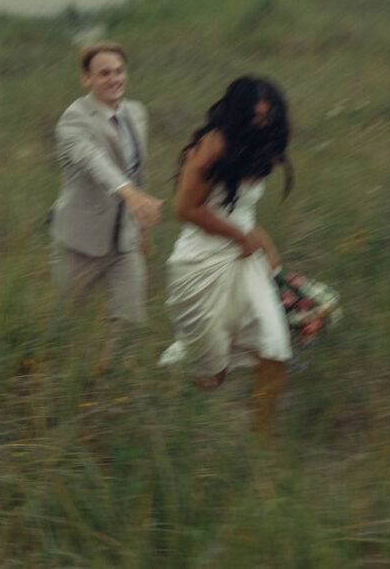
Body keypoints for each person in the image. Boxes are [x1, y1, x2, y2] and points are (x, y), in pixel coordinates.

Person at [159, 75, 294, 434]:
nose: (263, 123)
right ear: (237, 114)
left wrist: (267, 248)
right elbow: (185, 208)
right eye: (256, 116)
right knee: (210, 373)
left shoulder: (259, 144)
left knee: (274, 347)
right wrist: (238, 236)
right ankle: (157, 397)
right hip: (202, 262)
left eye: (269, 116)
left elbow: (243, 212)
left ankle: (264, 442)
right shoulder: (212, 144)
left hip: (246, 262)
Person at [49, 41, 165, 327]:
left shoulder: (136, 112)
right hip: (80, 243)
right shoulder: (73, 120)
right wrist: (131, 196)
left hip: (125, 242)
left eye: (119, 71)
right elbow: (95, 161)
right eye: (104, 74)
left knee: (130, 323)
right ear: (86, 78)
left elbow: (138, 171)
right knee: (67, 326)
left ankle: (116, 367)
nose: (114, 79)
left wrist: (142, 228)